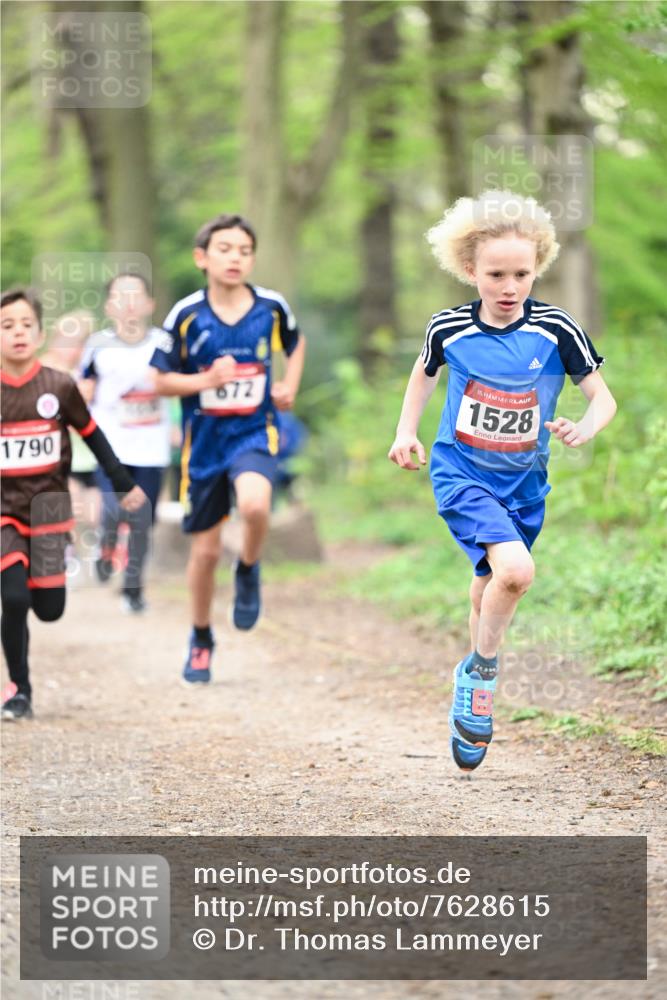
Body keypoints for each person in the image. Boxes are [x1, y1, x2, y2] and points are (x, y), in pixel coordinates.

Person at [388, 190, 617, 773]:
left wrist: (585, 427)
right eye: (496, 274)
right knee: (516, 572)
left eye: (522, 272)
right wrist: (405, 431)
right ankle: (482, 675)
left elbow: (603, 398)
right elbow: (423, 374)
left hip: (524, 483)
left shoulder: (556, 328)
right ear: (471, 271)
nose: (510, 286)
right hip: (460, 471)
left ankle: (473, 680)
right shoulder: (449, 328)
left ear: (537, 268)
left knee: (490, 581)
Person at [150, 213, 305, 684]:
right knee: (205, 554)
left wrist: (288, 386)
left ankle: (250, 569)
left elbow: (295, 345)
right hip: (204, 447)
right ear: (202, 257)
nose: (235, 257)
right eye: (224, 249)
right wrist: (205, 380)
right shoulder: (185, 314)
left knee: (257, 506)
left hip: (256, 432)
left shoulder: (271, 307)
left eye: (243, 250)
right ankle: (200, 637)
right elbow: (159, 380)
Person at [0, 288, 145, 720]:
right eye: (7, 326)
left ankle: (34, 588)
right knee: (13, 597)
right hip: (3, 510)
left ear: (41, 334)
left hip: (47, 510)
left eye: (26, 324)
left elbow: (93, 435)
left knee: (49, 608)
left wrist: (122, 483)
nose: (18, 333)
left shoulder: (59, 386)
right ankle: (19, 689)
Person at [79, 274, 171, 613]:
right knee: (115, 507)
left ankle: (134, 589)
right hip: (111, 445)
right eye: (121, 296)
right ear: (108, 306)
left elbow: (178, 382)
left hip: (151, 447)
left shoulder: (163, 343)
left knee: (143, 520)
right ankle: (105, 544)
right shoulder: (98, 345)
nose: (130, 303)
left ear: (150, 304)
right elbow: (83, 384)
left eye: (136, 296)